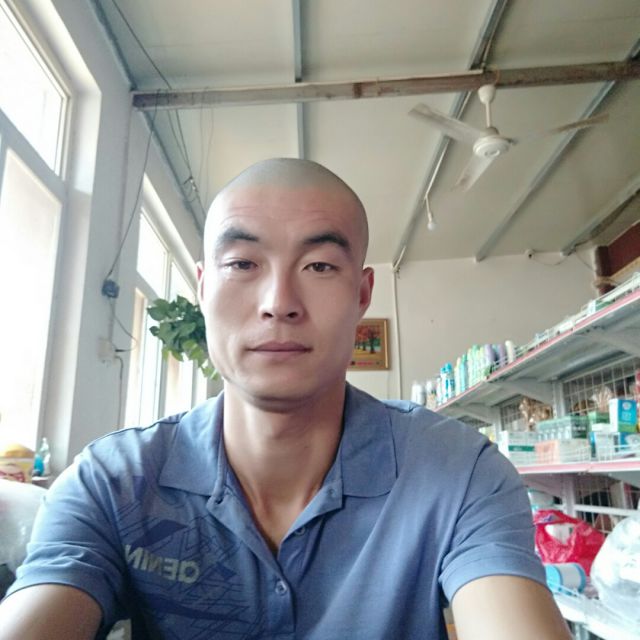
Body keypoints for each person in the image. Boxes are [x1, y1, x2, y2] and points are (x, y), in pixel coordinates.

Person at [0, 158, 570, 639]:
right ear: (203, 287)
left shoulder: (457, 472)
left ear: (362, 294)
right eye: (242, 264)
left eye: (319, 266)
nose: (279, 302)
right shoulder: (112, 482)